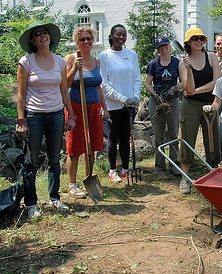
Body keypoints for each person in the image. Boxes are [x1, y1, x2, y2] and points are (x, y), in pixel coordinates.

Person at [16, 22, 76, 219]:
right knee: (31, 161)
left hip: (56, 114)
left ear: (50, 37)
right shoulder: (27, 61)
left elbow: (63, 90)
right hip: (34, 115)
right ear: (33, 40)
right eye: (38, 34)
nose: (43, 35)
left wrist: (71, 114)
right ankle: (31, 204)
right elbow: (21, 94)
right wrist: (21, 119)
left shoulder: (59, 61)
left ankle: (55, 198)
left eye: (45, 32)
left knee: (54, 158)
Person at [64, 27, 110, 198]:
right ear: (77, 41)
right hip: (76, 107)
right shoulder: (70, 58)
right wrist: (75, 69)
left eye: (89, 38)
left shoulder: (96, 61)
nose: (86, 42)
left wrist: (105, 109)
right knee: (75, 147)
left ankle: (88, 178)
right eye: (82, 39)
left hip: (93, 108)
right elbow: (65, 85)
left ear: (93, 40)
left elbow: (98, 86)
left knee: (92, 147)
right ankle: (72, 184)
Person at [178, 27, 221, 193]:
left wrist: (195, 90)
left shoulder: (211, 57)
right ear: (188, 42)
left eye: (201, 38)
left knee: (212, 136)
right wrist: (189, 70)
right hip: (190, 105)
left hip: (210, 102)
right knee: (188, 137)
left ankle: (214, 171)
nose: (198, 41)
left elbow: (216, 82)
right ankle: (184, 177)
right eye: (194, 38)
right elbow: (188, 89)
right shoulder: (183, 63)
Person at [98, 24, 141, 182]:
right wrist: (122, 98)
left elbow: (137, 77)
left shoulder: (131, 54)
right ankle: (112, 170)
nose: (121, 37)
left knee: (126, 137)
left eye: (124, 35)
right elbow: (103, 84)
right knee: (112, 137)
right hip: (113, 105)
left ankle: (125, 168)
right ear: (111, 36)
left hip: (130, 105)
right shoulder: (104, 56)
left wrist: (135, 96)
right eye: (118, 34)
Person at [144, 35, 182, 176]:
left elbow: (184, 81)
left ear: (169, 47)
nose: (163, 49)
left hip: (172, 100)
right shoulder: (154, 64)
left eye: (165, 46)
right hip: (157, 101)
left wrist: (175, 88)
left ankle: (174, 165)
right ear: (158, 50)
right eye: (160, 47)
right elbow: (147, 83)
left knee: (173, 132)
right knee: (158, 134)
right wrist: (155, 95)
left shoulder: (176, 63)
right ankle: (159, 166)